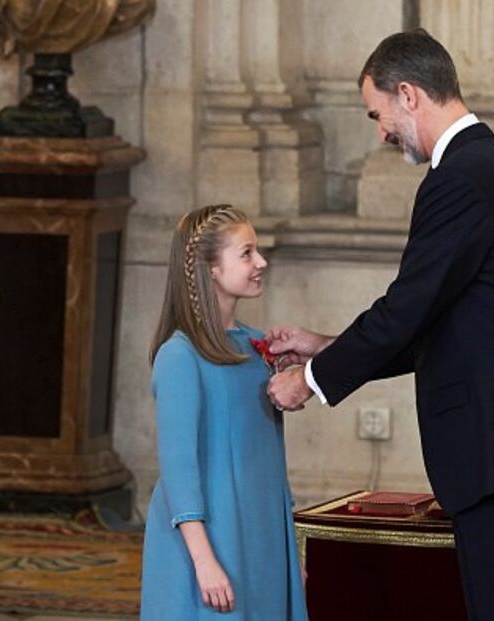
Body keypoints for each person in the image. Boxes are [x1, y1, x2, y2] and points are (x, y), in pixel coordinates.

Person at [267, 29, 494, 620]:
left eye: (377, 114)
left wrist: (309, 379)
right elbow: (441, 323)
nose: (380, 133)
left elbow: (407, 308)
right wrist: (326, 345)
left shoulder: (461, 178)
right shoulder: (488, 166)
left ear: (408, 94)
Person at [141, 205, 308, 620]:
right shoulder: (180, 356)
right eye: (247, 253)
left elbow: (271, 458)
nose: (261, 262)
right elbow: (178, 469)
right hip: (209, 539)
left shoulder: (256, 347)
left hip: (260, 531)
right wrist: (204, 563)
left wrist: (290, 547)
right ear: (211, 270)